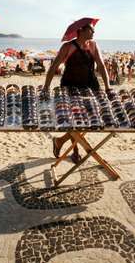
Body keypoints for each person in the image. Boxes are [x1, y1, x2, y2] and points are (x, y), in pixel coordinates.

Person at [43, 21, 110, 163]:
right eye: (91, 30)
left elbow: (102, 66)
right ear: (81, 30)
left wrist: (108, 87)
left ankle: (60, 141)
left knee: (89, 119)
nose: (94, 32)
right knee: (75, 120)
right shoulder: (68, 47)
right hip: (70, 86)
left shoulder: (93, 45)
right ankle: (75, 151)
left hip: (90, 85)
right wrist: (45, 87)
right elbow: (54, 66)